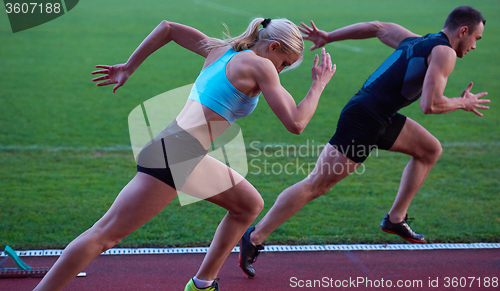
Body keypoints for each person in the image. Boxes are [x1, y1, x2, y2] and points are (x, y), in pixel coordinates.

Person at [33, 18, 335, 291]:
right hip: (176, 155)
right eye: (284, 63)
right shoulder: (262, 66)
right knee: (105, 235)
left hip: (179, 151)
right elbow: (296, 123)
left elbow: (168, 28)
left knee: (248, 205)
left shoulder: (221, 50)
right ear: (273, 46)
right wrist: (318, 85)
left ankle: (201, 285)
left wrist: (129, 66)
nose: (280, 70)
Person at [239, 6, 489, 278]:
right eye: (476, 38)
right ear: (462, 31)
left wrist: (329, 36)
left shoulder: (417, 40)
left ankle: (395, 219)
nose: (475, 46)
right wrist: (463, 102)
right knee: (317, 185)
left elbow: (377, 27)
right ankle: (254, 237)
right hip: (365, 119)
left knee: (429, 149)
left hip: (379, 116)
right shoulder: (445, 53)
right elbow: (430, 104)